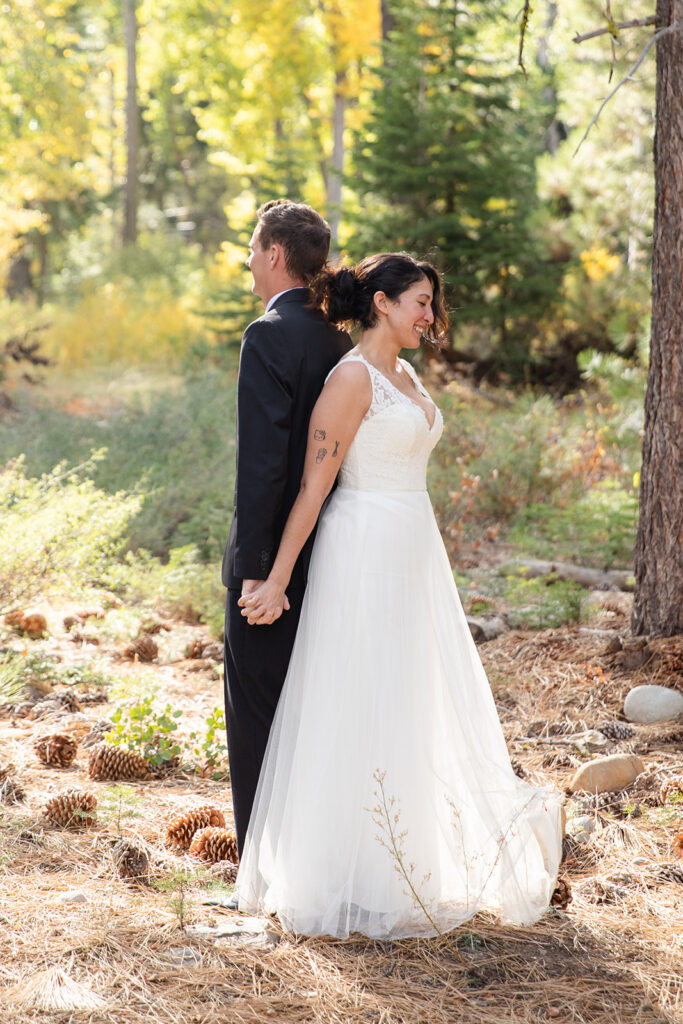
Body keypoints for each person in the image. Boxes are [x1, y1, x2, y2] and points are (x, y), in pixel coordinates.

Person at [235, 252, 563, 939]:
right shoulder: (351, 378)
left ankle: (397, 864)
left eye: (430, 303)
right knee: (361, 695)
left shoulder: (405, 373)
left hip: (412, 548)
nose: (429, 316)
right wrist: (277, 577)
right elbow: (313, 487)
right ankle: (338, 873)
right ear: (380, 302)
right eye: (418, 301)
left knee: (406, 697)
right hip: (363, 551)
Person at [221, 200, 352, 858]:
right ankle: (312, 858)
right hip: (330, 552)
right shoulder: (339, 337)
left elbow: (263, 468)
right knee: (310, 711)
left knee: (256, 719)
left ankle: (259, 869)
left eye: (251, 248)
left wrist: (254, 569)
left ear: (274, 254)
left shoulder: (268, 334)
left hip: (273, 564)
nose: (246, 260)